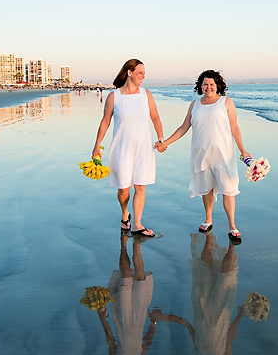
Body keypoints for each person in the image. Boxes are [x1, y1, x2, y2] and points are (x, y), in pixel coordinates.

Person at [157, 70, 249, 242]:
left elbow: (234, 127)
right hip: (201, 153)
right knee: (206, 189)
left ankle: (232, 226)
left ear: (218, 86)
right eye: (205, 84)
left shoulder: (226, 102)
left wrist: (243, 150)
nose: (208, 87)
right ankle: (208, 219)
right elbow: (184, 127)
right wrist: (166, 143)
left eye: (212, 84)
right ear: (200, 86)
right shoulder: (195, 105)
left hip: (223, 154)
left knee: (228, 189)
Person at [93, 59, 164, 237]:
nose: (144, 76)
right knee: (124, 189)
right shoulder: (113, 97)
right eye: (140, 72)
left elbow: (155, 117)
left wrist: (161, 138)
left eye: (144, 72)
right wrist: (96, 146)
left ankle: (138, 224)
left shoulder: (146, 95)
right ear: (130, 72)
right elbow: (105, 122)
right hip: (121, 148)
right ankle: (125, 214)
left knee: (140, 186)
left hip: (143, 148)